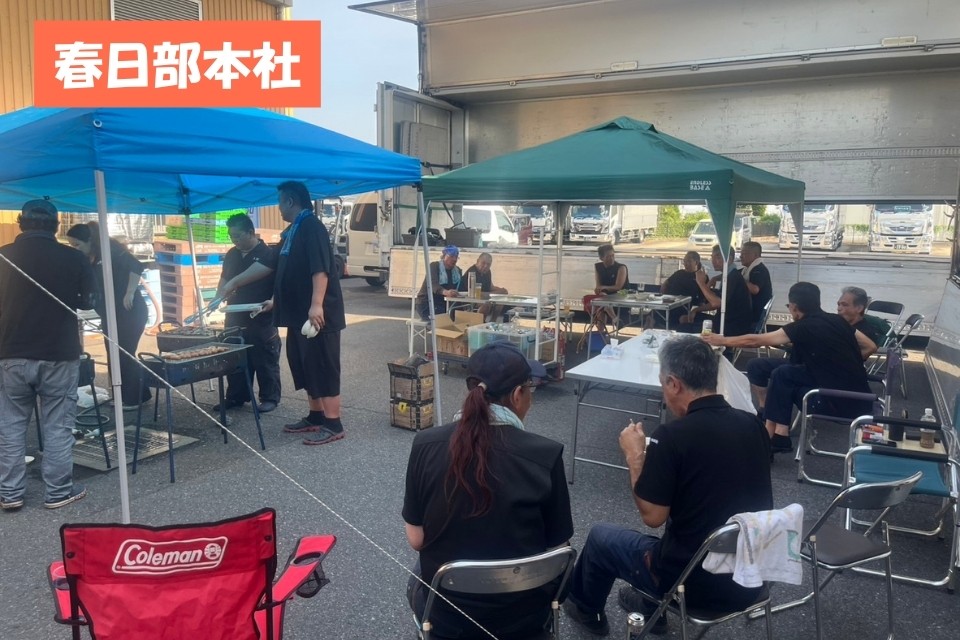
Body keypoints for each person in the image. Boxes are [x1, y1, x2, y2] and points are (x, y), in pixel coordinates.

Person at [563, 336, 773, 636]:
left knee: (601, 538)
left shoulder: (673, 436)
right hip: (749, 573)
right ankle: (649, 607)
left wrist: (635, 456)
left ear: (674, 383)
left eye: (663, 384)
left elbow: (652, 516)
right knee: (673, 537)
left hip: (691, 583)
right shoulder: (752, 424)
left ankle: (587, 611)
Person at [403, 342, 572, 639]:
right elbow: (558, 548)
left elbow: (417, 539)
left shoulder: (425, 444)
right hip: (524, 617)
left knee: (419, 574)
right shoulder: (546, 455)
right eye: (530, 389)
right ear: (518, 394)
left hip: (448, 616)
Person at [0, 200, 97, 511]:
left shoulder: (3, 255)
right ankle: (57, 491)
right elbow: (88, 302)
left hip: (11, 352)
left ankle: (10, 493)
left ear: (20, 222)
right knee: (57, 425)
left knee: (11, 426)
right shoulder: (74, 257)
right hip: (59, 353)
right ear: (56, 227)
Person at [704, 282, 877, 452]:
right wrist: (848, 362)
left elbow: (755, 340)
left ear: (794, 307)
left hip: (837, 401)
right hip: (858, 396)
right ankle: (767, 416)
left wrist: (722, 340)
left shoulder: (802, 327)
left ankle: (776, 435)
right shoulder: (838, 321)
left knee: (783, 375)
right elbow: (870, 346)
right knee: (760, 366)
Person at [263, 181, 346, 445]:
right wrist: (276, 300)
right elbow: (287, 269)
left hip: (317, 316)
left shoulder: (312, 227)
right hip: (298, 315)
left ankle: (333, 423)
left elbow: (320, 268)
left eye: (280, 202)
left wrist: (317, 304)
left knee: (322, 365)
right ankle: (316, 415)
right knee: (304, 364)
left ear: (290, 201)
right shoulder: (294, 230)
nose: (278, 208)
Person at [66, 221, 150, 410]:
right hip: (110, 313)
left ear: (90, 240)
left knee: (123, 353)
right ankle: (129, 395)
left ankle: (133, 399)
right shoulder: (90, 258)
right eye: (72, 245)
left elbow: (136, 266)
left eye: (77, 245)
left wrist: (130, 292)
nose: (75, 249)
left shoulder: (110, 250)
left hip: (129, 311)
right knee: (113, 352)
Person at [213, 213, 281, 413]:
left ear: (251, 232)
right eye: (231, 236)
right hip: (234, 313)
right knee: (234, 355)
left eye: (237, 236)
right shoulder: (232, 254)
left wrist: (274, 302)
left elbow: (280, 284)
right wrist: (217, 298)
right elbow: (225, 279)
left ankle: (269, 397)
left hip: (261, 315)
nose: (234, 240)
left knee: (264, 357)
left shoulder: (268, 254)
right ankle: (236, 396)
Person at [679, 244, 753, 336]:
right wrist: (696, 310)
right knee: (684, 318)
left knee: (682, 327)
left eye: (717, 257)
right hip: (725, 321)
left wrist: (701, 283)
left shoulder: (732, 278)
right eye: (712, 257)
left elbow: (716, 303)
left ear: (729, 259)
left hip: (731, 327)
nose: (713, 261)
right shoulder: (729, 275)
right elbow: (717, 302)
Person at [656, 251, 705, 327]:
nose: (685, 264)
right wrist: (663, 296)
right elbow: (665, 284)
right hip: (670, 303)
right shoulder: (679, 273)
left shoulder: (700, 276)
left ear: (696, 262)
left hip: (685, 307)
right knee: (652, 315)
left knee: (682, 318)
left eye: (688, 261)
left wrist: (695, 311)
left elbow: (702, 298)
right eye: (684, 261)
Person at [415, 245, 462, 321]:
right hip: (427, 303)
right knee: (446, 319)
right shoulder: (434, 266)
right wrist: (446, 292)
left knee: (461, 314)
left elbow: (460, 287)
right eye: (451, 256)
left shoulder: (458, 271)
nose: (454, 259)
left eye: (456, 257)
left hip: (444, 303)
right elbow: (433, 285)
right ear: (444, 256)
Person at [458, 252, 508, 321]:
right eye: (483, 263)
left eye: (488, 264)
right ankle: (479, 322)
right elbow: (474, 293)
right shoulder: (472, 272)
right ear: (478, 261)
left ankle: (493, 321)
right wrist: (491, 295)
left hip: (484, 296)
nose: (485, 266)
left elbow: (490, 287)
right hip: (469, 299)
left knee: (502, 296)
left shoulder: (488, 272)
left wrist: (502, 291)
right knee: (487, 303)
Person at [837, 286, 890, 351]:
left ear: (859, 308)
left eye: (844, 305)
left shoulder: (865, 334)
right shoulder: (839, 326)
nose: (839, 308)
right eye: (839, 304)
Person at [739, 241, 773, 326]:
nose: (740, 256)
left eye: (744, 253)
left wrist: (738, 278)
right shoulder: (747, 269)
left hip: (753, 314)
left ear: (755, 255)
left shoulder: (759, 269)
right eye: (741, 253)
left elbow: (754, 289)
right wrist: (716, 278)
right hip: (749, 310)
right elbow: (734, 273)